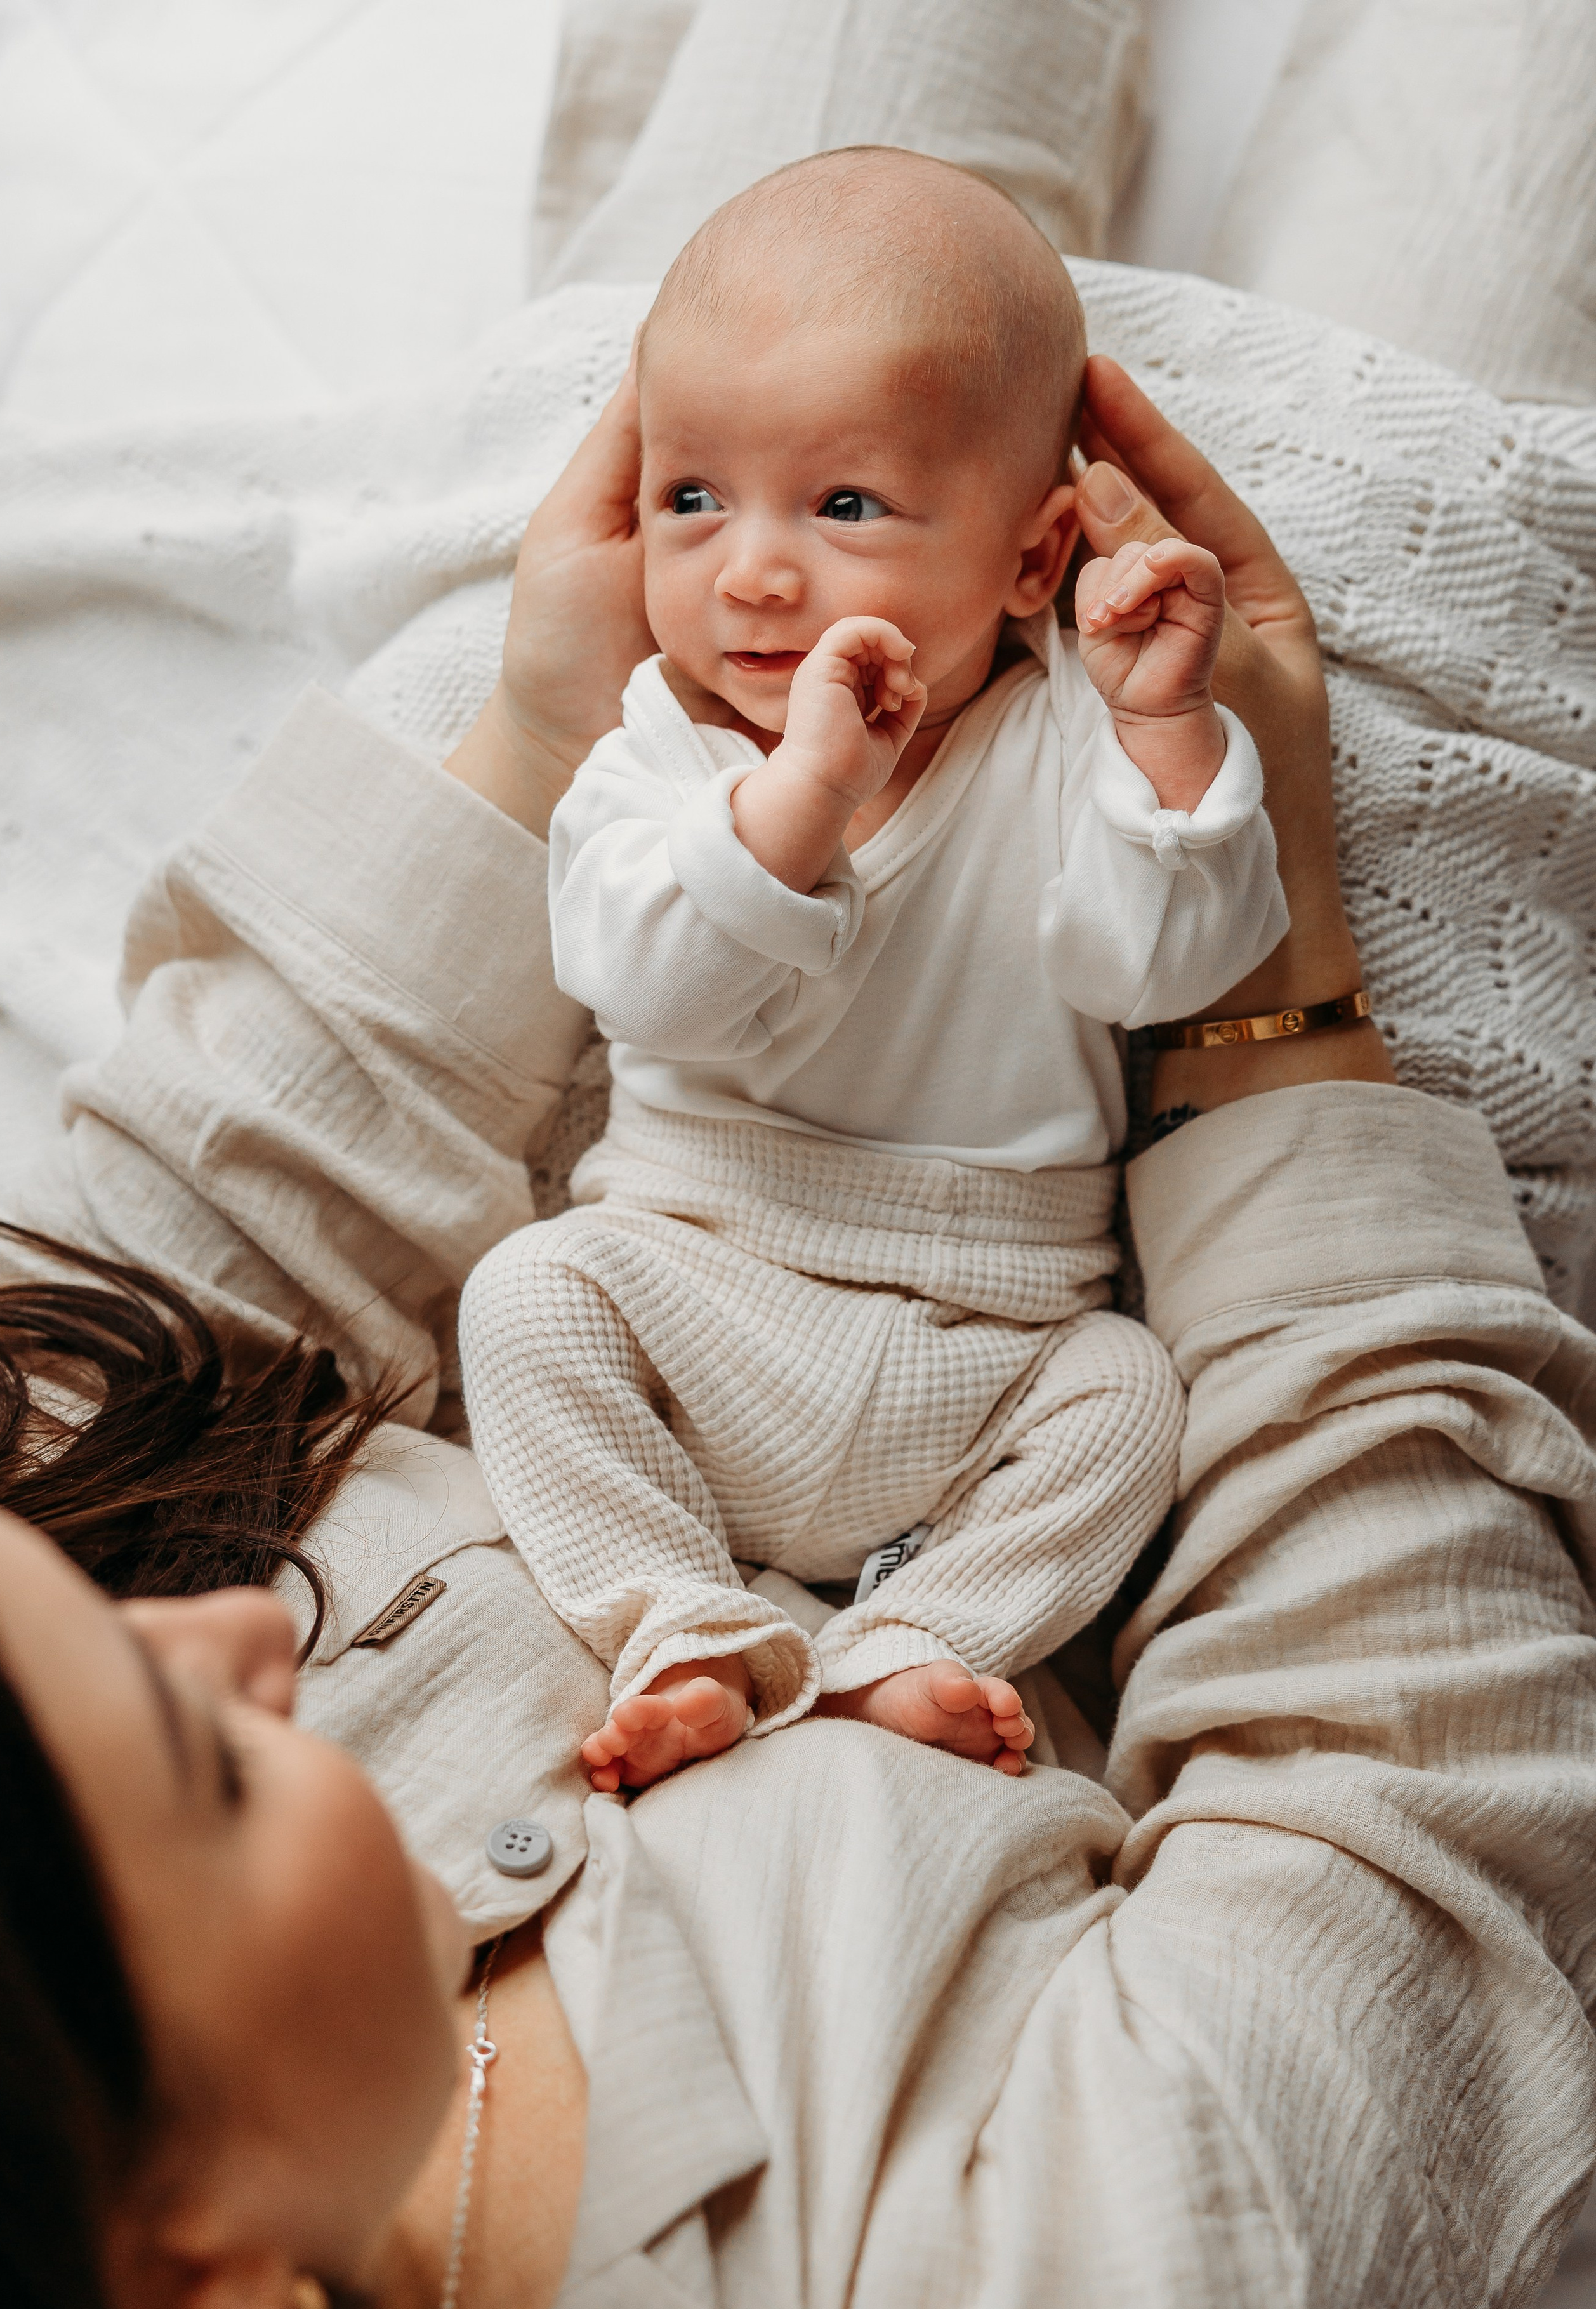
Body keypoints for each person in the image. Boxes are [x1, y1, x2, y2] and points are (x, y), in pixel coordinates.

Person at [0, 350, 1595, 2309]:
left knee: (806, 250)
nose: (229, 1633)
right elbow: (1409, 1770)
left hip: (631, 892)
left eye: (99, 1614)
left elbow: (157, 1271)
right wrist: (1262, 937)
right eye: (193, 1774)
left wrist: (563, 715)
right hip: (1192, 1239)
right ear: (189, 2286)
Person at [462, 150, 1286, 1794]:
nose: (754, 572)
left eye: (843, 505)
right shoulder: (663, 751)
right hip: (696, 1282)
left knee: (1130, 1400)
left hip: (988, 1328)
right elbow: (643, 979)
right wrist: (799, 805)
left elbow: (1162, 965)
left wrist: (1170, 733)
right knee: (527, 1296)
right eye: (694, 498)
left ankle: (915, 1643)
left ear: (1040, 559)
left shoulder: (1070, 736)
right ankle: (687, 1623)